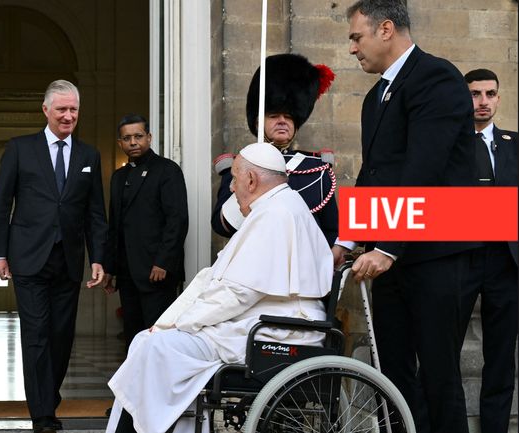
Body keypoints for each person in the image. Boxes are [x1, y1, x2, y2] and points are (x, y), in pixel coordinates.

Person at [106, 142, 333, 433]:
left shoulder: (275, 214)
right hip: (262, 321)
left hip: (276, 330)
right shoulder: (281, 206)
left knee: (159, 347)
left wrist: (181, 323)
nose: (232, 188)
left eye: (235, 179)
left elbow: (239, 293)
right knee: (145, 342)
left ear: (251, 180)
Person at [332, 2, 478, 432]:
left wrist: (388, 248)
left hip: (433, 256)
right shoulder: (377, 96)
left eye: (356, 37)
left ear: (386, 30)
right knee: (392, 375)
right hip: (388, 259)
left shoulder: (436, 77)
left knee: (439, 376)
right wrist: (349, 239)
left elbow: (423, 171)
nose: (352, 49)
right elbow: (374, 177)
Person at [0, 80, 107, 433]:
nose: (68, 116)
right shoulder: (20, 149)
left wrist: (99, 257)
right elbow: (3, 203)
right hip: (28, 257)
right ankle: (42, 414)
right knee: (36, 332)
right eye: (62, 110)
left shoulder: (89, 155)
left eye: (73, 110)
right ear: (46, 110)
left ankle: (46, 394)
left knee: (61, 335)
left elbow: (95, 212)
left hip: (68, 259)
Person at [212, 53, 338, 246]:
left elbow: (331, 229)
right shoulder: (239, 165)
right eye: (273, 116)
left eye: (288, 117)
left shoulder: (317, 170)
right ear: (257, 122)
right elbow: (221, 226)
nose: (282, 121)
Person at [457, 68, 518, 433]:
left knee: (500, 354)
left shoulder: (514, 143)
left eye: (489, 94)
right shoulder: (451, 143)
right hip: (460, 256)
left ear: (498, 97)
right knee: (445, 347)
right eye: (475, 94)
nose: (482, 101)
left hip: (505, 261)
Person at [102, 114, 189, 347]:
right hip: (127, 273)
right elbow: (115, 225)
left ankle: (160, 384)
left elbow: (177, 220)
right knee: (133, 336)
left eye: (138, 136)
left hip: (156, 272)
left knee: (158, 337)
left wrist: (163, 261)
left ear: (149, 138)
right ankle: (137, 384)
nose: (133, 142)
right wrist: (110, 268)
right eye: (127, 138)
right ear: (120, 143)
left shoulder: (167, 170)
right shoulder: (118, 177)